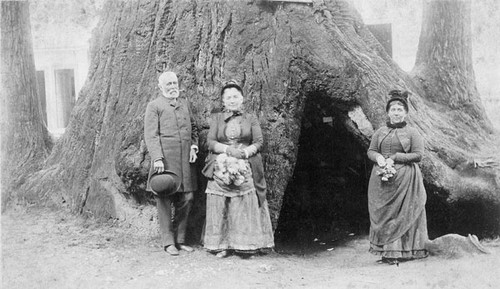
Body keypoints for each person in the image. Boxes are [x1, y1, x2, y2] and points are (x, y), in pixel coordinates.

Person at [202, 80, 274, 258]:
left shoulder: (250, 118)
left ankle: (246, 244)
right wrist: (227, 151)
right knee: (221, 199)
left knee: (243, 199)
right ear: (223, 101)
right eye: (228, 97)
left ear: (242, 99)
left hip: (246, 161)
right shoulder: (217, 118)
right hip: (220, 161)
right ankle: (222, 245)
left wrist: (244, 153)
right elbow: (210, 142)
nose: (232, 100)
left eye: (235, 96)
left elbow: (258, 142)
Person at [367, 90, 429, 265]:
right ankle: (387, 253)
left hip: (405, 180)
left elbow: (418, 155)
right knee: (384, 214)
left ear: (406, 113)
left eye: (400, 109)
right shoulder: (380, 131)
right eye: (393, 109)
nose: (396, 112)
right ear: (388, 112)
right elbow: (371, 150)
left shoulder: (412, 132)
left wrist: (395, 157)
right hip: (381, 180)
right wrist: (379, 158)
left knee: (403, 214)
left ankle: (404, 252)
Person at [144, 71, 199, 256]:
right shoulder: (154, 106)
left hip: (185, 159)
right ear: (160, 87)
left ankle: (180, 239)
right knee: (164, 197)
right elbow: (151, 135)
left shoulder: (184, 105)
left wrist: (193, 146)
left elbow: (195, 128)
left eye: (175, 83)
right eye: (168, 84)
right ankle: (168, 242)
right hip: (165, 159)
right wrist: (157, 158)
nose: (173, 86)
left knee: (188, 197)